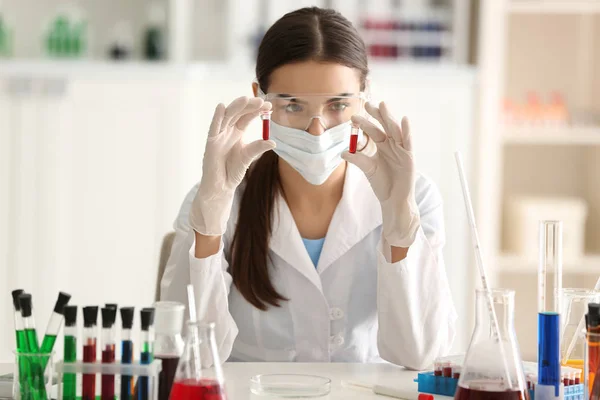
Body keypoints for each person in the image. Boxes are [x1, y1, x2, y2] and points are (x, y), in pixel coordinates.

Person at [160, 6, 456, 370]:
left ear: (362, 98)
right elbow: (187, 358)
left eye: (338, 105)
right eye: (293, 106)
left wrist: (399, 222)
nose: (317, 129)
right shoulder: (215, 198)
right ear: (260, 100)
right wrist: (207, 230)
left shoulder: (413, 196)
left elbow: (422, 354)